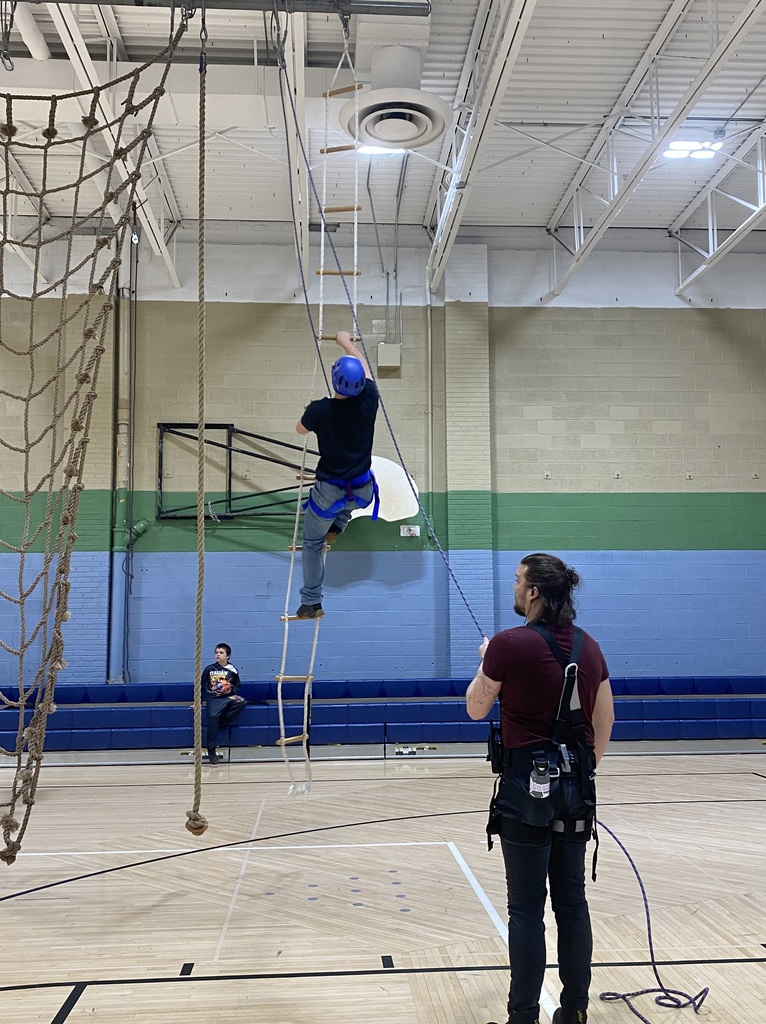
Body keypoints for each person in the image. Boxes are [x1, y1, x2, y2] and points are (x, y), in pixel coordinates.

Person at [465, 553, 615, 1024]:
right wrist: (582, 771)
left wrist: (486, 661)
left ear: (533, 592)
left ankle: (523, 1016)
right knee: (572, 903)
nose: (513, 588)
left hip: (523, 788)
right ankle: (573, 1013)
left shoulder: (508, 645)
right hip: (576, 791)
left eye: (517, 581)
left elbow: (475, 708)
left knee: (526, 910)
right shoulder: (589, 647)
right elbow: (604, 719)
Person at [294, 331, 379, 619]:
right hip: (363, 490)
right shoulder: (370, 399)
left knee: (312, 543)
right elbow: (367, 371)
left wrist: (311, 414)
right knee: (348, 504)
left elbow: (300, 430)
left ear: (334, 380)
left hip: (329, 491)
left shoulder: (320, 410)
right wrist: (347, 343)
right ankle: (338, 526)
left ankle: (311, 602)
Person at [200, 643, 247, 765]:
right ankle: (211, 750)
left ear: (228, 656)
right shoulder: (209, 669)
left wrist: (233, 693)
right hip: (214, 698)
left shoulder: (232, 670)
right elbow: (201, 685)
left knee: (242, 702)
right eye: (216, 652)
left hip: (228, 697)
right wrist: (198, 701)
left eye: (221, 653)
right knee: (213, 717)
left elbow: (237, 685)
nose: (218, 655)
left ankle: (223, 721)